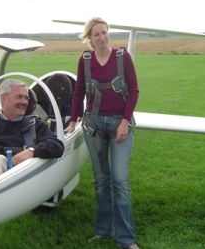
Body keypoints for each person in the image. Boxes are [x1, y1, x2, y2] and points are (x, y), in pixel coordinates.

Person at [66, 17, 140, 249]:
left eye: (105, 32)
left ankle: (126, 240)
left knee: (119, 180)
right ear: (89, 38)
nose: (102, 37)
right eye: (96, 34)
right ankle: (103, 231)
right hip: (94, 126)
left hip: (120, 124)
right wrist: (72, 120)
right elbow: (79, 91)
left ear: (109, 33)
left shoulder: (122, 57)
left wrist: (125, 122)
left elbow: (135, 91)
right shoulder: (85, 60)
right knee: (101, 181)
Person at [0, 79, 64, 185]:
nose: (24, 102)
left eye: (26, 98)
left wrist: (31, 151)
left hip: (20, 179)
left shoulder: (34, 125)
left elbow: (57, 146)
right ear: (3, 99)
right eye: (19, 97)